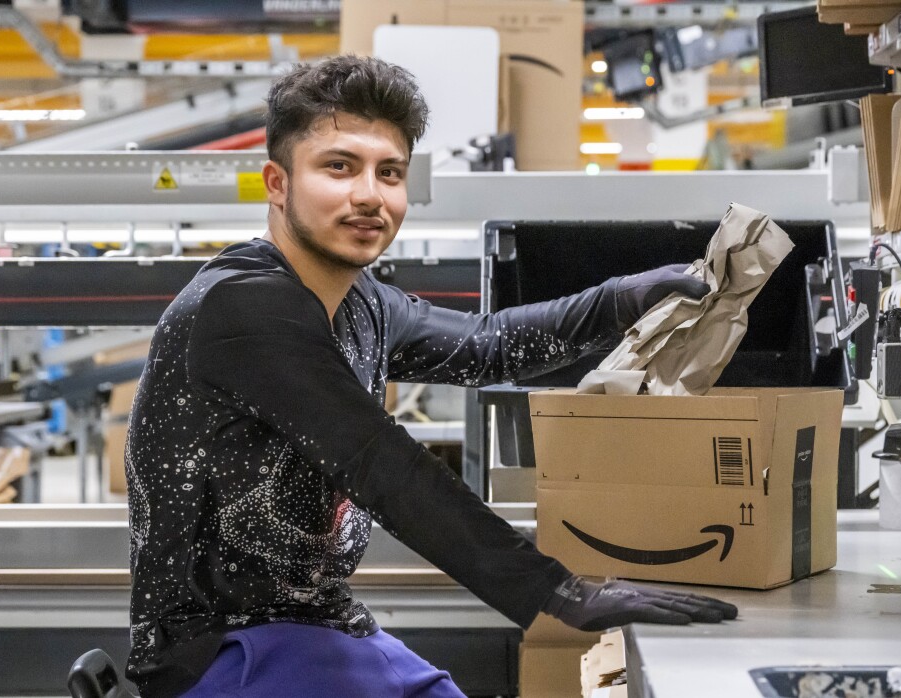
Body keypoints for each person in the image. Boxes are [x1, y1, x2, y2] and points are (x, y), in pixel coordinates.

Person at [124, 55, 737, 698]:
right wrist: (557, 592)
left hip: (322, 625)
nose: (370, 195)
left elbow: (489, 345)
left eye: (389, 173)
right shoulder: (243, 306)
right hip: (221, 651)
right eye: (339, 167)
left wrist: (620, 300)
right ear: (277, 183)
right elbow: (380, 464)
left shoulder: (361, 303)